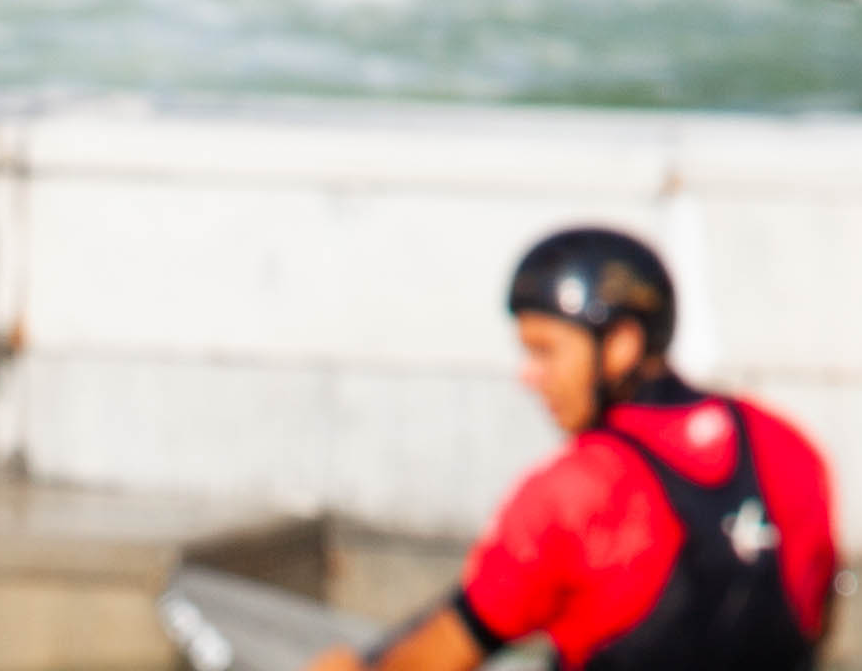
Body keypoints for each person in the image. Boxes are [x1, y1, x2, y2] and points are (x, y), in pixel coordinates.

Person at [305, 229, 831, 671]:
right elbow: (817, 609)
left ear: (621, 345)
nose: (529, 375)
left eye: (545, 351)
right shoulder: (785, 444)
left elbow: (451, 647)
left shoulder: (575, 490)